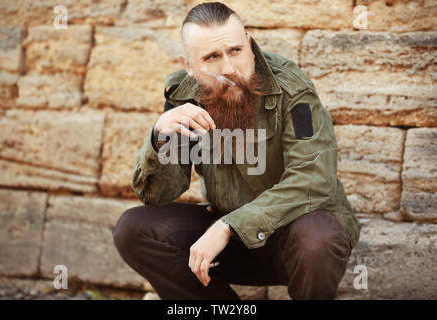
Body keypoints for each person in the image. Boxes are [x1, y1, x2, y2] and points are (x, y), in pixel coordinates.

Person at [112, 1, 361, 300]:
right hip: (231, 242)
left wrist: (229, 226)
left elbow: (313, 178)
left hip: (294, 239)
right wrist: (160, 137)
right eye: (212, 57)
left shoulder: (293, 91)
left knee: (318, 237)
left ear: (250, 45)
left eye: (236, 51)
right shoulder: (183, 98)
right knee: (133, 229)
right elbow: (158, 194)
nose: (229, 68)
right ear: (188, 66)